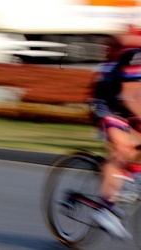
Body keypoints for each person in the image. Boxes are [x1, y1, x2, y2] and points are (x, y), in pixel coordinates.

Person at [89, 46, 141, 239]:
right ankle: (105, 208)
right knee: (123, 148)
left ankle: (127, 182)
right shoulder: (137, 57)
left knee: (136, 151)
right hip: (107, 102)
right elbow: (129, 94)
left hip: (131, 104)